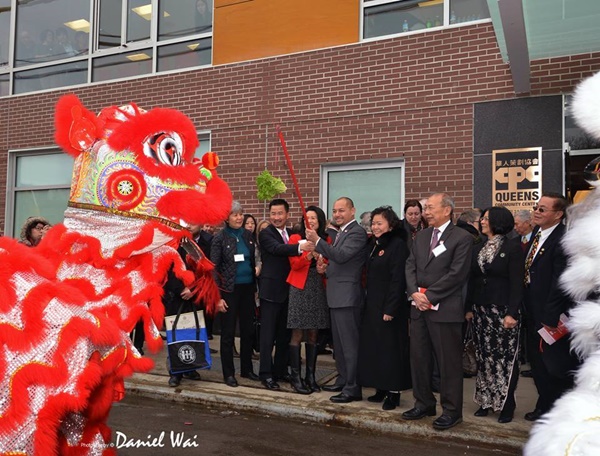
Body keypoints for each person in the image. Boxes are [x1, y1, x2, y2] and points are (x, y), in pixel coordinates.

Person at [402, 193, 473, 431]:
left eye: (430, 207)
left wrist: (429, 296)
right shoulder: (421, 236)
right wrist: (414, 293)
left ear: (447, 210)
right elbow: (410, 265)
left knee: (448, 363)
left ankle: (452, 411)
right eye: (425, 208)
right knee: (419, 358)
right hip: (418, 309)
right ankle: (424, 403)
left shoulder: (462, 237)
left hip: (445, 309)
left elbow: (457, 273)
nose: (426, 212)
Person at [305, 197, 368, 403]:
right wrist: (326, 268)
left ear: (353, 211)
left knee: (350, 344)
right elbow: (338, 261)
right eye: (334, 211)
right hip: (336, 295)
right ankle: (343, 379)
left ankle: (353, 386)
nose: (337, 214)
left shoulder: (357, 232)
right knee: (339, 345)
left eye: (341, 210)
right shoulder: (342, 232)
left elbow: (341, 256)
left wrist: (317, 241)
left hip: (348, 297)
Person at [523, 192, 578, 422]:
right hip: (530, 309)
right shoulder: (537, 233)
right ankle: (544, 402)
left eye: (542, 209)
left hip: (549, 314)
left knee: (552, 365)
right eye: (536, 207)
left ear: (558, 214)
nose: (536, 211)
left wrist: (550, 315)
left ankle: (552, 407)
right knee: (536, 362)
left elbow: (560, 282)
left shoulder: (563, 239)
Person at [466, 207, 524, 423]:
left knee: (504, 360)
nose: (481, 221)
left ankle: (506, 405)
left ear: (498, 221)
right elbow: (472, 279)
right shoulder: (478, 246)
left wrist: (512, 313)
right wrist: (469, 308)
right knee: (484, 358)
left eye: (486, 219)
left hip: (503, 313)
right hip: (481, 311)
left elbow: (517, 284)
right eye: (482, 218)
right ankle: (485, 401)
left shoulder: (512, 247)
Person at [358, 206, 411, 410]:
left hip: (390, 307)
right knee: (375, 348)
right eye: (373, 223)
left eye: (379, 223)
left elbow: (398, 279)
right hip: (372, 304)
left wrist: (391, 308)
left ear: (391, 224)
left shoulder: (397, 245)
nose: (375, 227)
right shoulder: (373, 244)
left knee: (390, 349)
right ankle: (380, 387)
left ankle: (393, 391)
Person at [258, 199, 309, 390]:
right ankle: (266, 373)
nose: (276, 217)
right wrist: (300, 248)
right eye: (273, 214)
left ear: (287, 214)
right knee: (267, 336)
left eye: (280, 214)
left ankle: (280, 370)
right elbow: (276, 249)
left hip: (289, 291)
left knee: (283, 335)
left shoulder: (291, 234)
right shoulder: (266, 234)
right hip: (271, 291)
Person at [211, 201, 259, 387]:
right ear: (226, 218)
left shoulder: (248, 235)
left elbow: (253, 258)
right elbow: (213, 269)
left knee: (248, 331)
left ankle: (247, 369)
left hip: (248, 288)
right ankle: (228, 373)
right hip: (229, 290)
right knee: (228, 333)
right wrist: (217, 296)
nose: (239, 217)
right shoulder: (220, 238)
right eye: (234, 214)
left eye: (240, 214)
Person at [286, 206, 330, 394]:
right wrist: (309, 254)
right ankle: (295, 377)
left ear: (319, 221)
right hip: (299, 286)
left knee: (313, 332)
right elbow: (294, 264)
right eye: (307, 218)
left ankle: (310, 376)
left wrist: (322, 260)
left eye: (313, 218)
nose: (310, 221)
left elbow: (329, 260)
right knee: (297, 332)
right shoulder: (295, 239)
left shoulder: (325, 239)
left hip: (317, 286)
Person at [162, 224, 208, 387]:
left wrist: (195, 290)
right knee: (176, 336)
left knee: (193, 334)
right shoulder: (172, 243)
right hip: (177, 296)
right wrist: (182, 289)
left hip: (196, 296)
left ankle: (190, 367)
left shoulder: (204, 242)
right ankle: (175, 372)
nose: (190, 224)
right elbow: (167, 270)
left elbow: (206, 271)